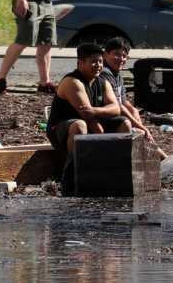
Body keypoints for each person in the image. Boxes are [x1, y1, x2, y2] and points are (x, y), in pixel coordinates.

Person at [46, 43, 128, 190]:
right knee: (80, 125)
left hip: (92, 123)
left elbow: (115, 108)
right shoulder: (73, 82)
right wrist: (102, 140)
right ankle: (72, 175)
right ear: (80, 63)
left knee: (125, 124)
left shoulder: (102, 81)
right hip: (61, 130)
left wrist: (95, 110)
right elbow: (87, 116)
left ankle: (119, 172)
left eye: (101, 62)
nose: (98, 65)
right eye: (94, 61)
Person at [0, 0, 56, 95]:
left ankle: (45, 83)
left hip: (46, 2)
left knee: (46, 43)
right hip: (28, 1)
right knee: (23, 40)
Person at [100, 37, 170, 160]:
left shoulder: (116, 74)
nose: (121, 59)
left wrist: (134, 111)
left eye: (124, 56)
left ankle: (162, 160)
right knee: (141, 133)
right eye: (116, 54)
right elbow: (118, 106)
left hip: (115, 117)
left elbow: (124, 101)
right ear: (105, 55)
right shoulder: (105, 73)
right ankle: (164, 161)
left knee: (137, 122)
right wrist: (142, 126)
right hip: (103, 119)